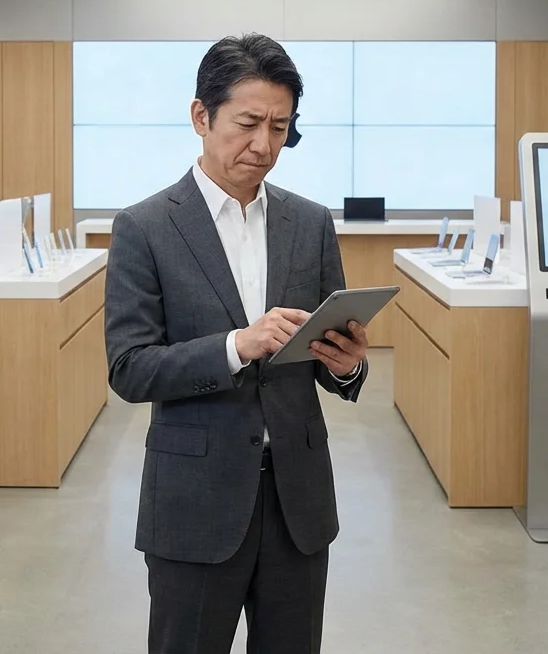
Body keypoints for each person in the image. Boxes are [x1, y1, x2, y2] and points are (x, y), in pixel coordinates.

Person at [104, 33, 370, 654]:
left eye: (280, 127)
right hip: (196, 500)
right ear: (201, 116)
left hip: (296, 500)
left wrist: (347, 368)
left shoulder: (309, 221)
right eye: (248, 123)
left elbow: (328, 349)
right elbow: (130, 369)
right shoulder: (144, 227)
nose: (264, 146)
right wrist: (234, 346)